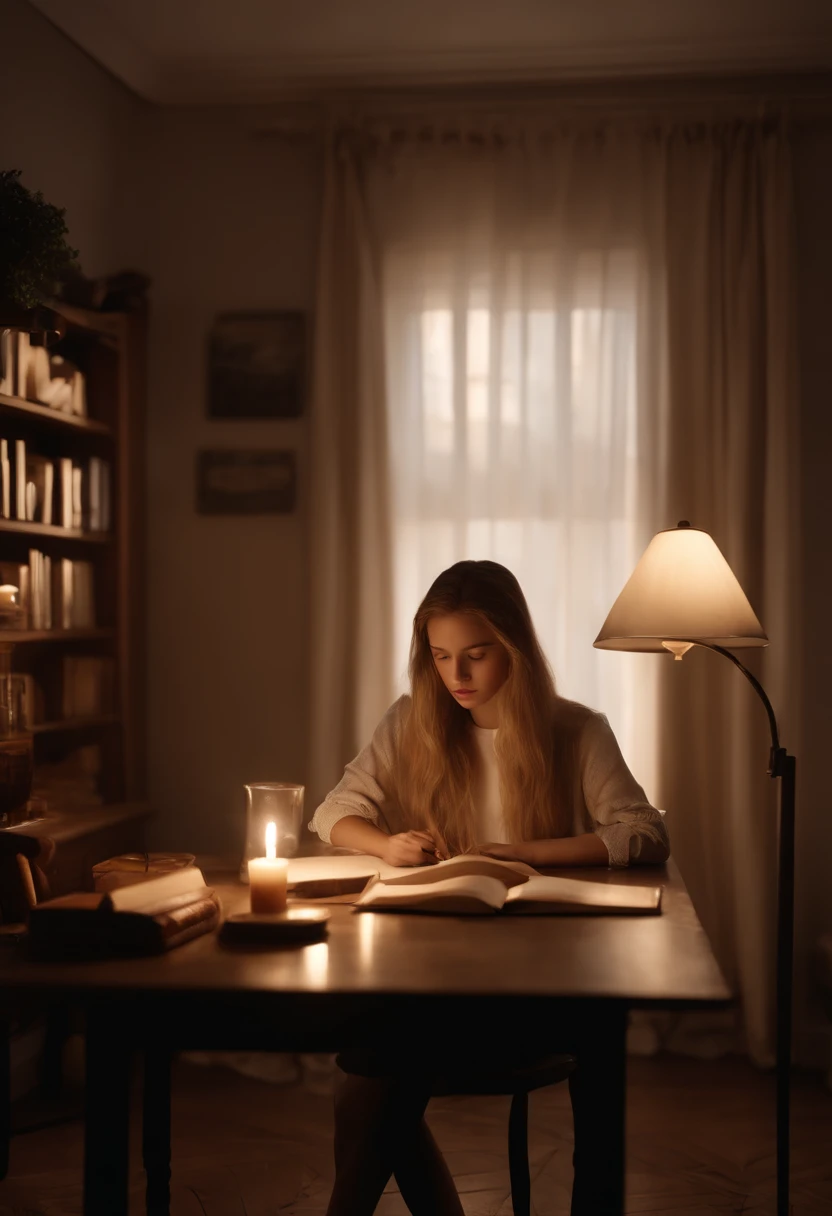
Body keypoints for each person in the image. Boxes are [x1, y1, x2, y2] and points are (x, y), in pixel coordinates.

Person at [309, 560, 670, 1216]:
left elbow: (644, 834)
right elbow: (333, 814)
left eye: (476, 655)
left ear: (515, 649)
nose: (458, 677)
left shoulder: (574, 729)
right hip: (431, 975)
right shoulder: (411, 720)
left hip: (541, 988)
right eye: (442, 657)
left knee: (371, 1079)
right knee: (366, 1075)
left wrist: (525, 853)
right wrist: (388, 844)